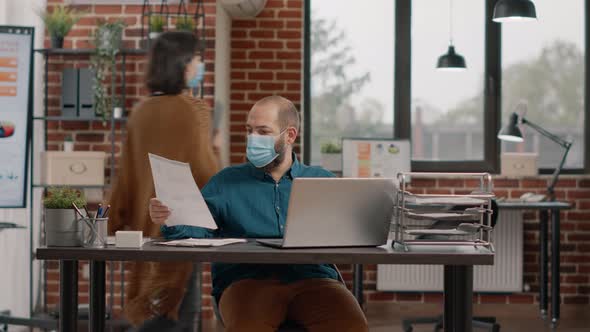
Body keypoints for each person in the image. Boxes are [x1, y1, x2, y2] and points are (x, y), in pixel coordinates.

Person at [149, 96, 369, 332]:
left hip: (314, 280)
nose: (253, 139)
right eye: (249, 130)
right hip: (246, 282)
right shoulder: (225, 182)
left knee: (353, 326)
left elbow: (348, 232)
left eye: (263, 132)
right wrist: (171, 217)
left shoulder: (321, 181)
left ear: (290, 135)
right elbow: (196, 230)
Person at [108, 31, 219, 329]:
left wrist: (106, 224)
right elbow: (208, 174)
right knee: (180, 314)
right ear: (182, 63)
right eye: (197, 58)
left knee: (152, 316)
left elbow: (126, 178)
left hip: (145, 235)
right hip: (182, 233)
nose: (199, 65)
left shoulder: (140, 112)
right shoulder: (193, 110)